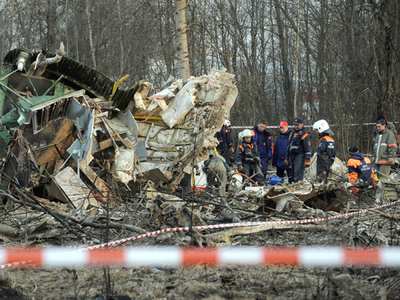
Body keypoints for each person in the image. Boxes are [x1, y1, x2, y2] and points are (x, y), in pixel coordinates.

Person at [285, 117, 311, 183]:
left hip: (300, 156)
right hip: (292, 156)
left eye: (297, 125)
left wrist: (307, 159)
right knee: (292, 173)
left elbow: (307, 148)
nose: (296, 126)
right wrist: (287, 157)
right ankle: (293, 185)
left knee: (298, 173)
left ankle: (298, 185)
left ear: (302, 124)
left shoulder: (305, 134)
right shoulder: (292, 134)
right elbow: (289, 146)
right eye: (295, 125)